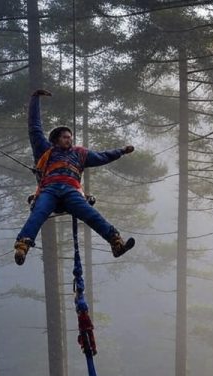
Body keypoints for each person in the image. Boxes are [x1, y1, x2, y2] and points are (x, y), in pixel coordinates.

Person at [14, 89, 136, 265]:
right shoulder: (44, 150)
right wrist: (34, 99)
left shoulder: (79, 154)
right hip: (49, 189)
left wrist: (121, 151)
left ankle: (116, 243)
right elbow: (34, 128)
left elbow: (102, 156)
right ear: (56, 139)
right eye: (65, 137)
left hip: (71, 192)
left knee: (91, 214)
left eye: (70, 137)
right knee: (39, 213)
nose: (69, 140)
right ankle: (22, 246)